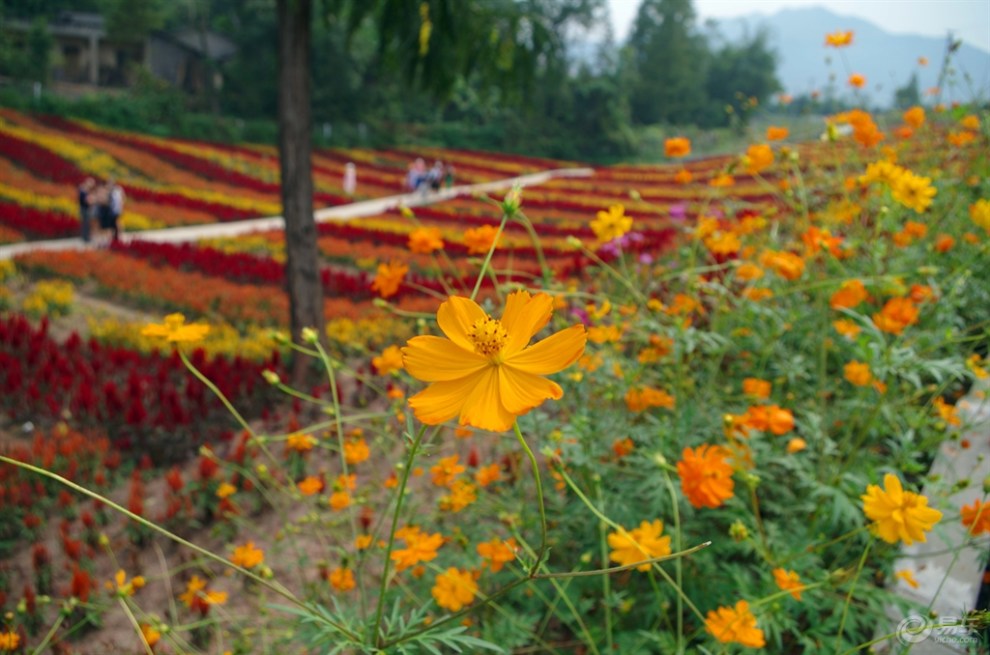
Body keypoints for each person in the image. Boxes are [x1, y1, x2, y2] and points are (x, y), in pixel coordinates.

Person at [78, 177, 95, 243]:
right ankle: (85, 237)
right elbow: (87, 200)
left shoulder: (85, 190)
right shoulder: (83, 190)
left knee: (86, 223)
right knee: (86, 223)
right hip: (84, 209)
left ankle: (85, 236)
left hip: (85, 209)